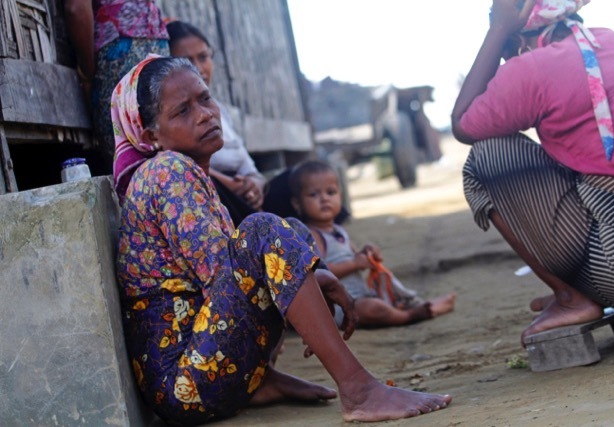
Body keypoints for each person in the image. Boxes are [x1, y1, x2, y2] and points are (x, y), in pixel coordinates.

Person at [112, 55, 451, 425]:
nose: (205, 114)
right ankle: (359, 390)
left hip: (207, 365)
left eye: (205, 99)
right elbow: (224, 276)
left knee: (289, 228)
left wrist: (313, 271)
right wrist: (313, 277)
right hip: (186, 384)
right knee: (263, 230)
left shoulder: (190, 174)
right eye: (182, 111)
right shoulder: (167, 172)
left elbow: (238, 281)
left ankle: (262, 381)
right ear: (150, 136)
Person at [451, 0, 614, 343]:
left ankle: (570, 299)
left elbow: (463, 124)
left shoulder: (531, 69)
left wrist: (497, 32)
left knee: (488, 155)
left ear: (515, 33)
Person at [289, 159, 457, 328]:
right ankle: (410, 315)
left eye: (331, 192)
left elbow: (357, 258)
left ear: (341, 195)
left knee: (384, 284)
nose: (324, 199)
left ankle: (418, 303)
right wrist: (354, 264)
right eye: (314, 195)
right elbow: (317, 275)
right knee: (372, 308)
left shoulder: (339, 231)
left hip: (362, 295)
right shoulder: (311, 235)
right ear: (297, 203)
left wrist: (367, 254)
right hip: (339, 308)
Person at [166, 20, 266, 224]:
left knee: (300, 179)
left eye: (203, 57)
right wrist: (230, 184)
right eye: (186, 61)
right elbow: (181, 165)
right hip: (214, 193)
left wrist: (254, 185)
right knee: (210, 187)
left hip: (243, 194)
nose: (199, 68)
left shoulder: (219, 110)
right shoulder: (174, 116)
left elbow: (252, 170)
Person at [63, 0, 170, 173]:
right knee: (166, 156)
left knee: (131, 167)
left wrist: (87, 70)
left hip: (120, 53)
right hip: (158, 48)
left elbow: (76, 9)